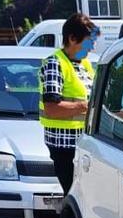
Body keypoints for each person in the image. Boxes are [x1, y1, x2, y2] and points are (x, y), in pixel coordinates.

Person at [39, 13, 99, 195]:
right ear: (72, 39)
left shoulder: (85, 64)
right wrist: (84, 106)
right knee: (75, 197)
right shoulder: (54, 64)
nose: (92, 46)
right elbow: (52, 108)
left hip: (83, 144)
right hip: (64, 146)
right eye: (89, 41)